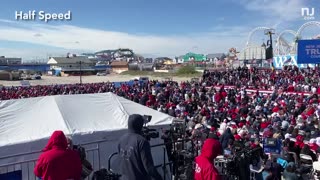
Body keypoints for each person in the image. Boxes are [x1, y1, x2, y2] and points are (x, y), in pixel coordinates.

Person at [118, 114, 162, 180]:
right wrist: (159, 178)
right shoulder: (141, 141)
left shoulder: (121, 139)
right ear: (140, 125)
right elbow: (149, 167)